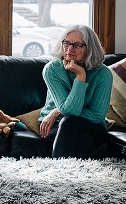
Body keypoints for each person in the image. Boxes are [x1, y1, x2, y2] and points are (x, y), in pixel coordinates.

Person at [37, 25, 113, 158]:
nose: (70, 49)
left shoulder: (103, 73)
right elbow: (69, 112)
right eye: (67, 43)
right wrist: (80, 77)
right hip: (55, 125)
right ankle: (80, 177)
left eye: (78, 45)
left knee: (69, 122)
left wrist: (57, 111)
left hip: (92, 125)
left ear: (90, 48)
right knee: (83, 138)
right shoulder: (52, 70)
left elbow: (96, 115)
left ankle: (60, 174)